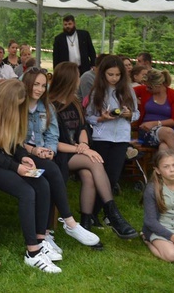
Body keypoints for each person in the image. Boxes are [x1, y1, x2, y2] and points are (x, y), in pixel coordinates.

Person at [0, 80, 61, 273]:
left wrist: (24, 157)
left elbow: (15, 144)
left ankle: (40, 239)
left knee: (42, 184)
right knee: (26, 192)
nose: (18, 108)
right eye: (16, 104)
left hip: (6, 160)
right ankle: (32, 252)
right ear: (6, 99)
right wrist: (15, 166)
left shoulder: (10, 109)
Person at [49, 62, 138, 238]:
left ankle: (86, 224)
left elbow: (82, 127)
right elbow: (51, 142)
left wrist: (84, 145)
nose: (79, 81)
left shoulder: (73, 101)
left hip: (77, 150)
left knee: (89, 176)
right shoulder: (51, 105)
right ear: (68, 80)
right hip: (59, 153)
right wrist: (81, 149)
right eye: (76, 77)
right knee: (94, 162)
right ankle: (113, 214)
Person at [20, 68, 101, 249]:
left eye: (43, 85)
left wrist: (49, 151)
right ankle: (69, 222)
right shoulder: (18, 105)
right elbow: (13, 139)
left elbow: (52, 136)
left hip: (42, 154)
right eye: (35, 84)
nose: (39, 89)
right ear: (26, 84)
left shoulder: (47, 106)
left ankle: (47, 233)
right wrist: (34, 150)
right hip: (22, 153)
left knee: (49, 174)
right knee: (51, 170)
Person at [86, 54, 139, 223]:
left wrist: (130, 114)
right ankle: (94, 213)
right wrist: (101, 118)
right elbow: (88, 116)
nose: (114, 78)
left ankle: (97, 212)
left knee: (113, 176)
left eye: (117, 75)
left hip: (121, 138)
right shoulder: (97, 91)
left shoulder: (128, 89)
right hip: (102, 137)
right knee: (99, 176)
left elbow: (136, 113)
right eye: (111, 74)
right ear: (103, 74)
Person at [142, 150, 174, 263]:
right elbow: (150, 221)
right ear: (157, 170)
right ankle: (147, 241)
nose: (172, 170)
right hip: (160, 231)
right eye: (166, 167)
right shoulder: (152, 189)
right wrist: (173, 238)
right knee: (173, 256)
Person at [134, 69, 174, 152]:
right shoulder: (144, 90)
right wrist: (133, 101)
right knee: (168, 133)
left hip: (168, 131)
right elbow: (125, 92)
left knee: (164, 147)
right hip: (147, 131)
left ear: (159, 85)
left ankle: (166, 164)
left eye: (149, 87)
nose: (147, 89)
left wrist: (155, 123)